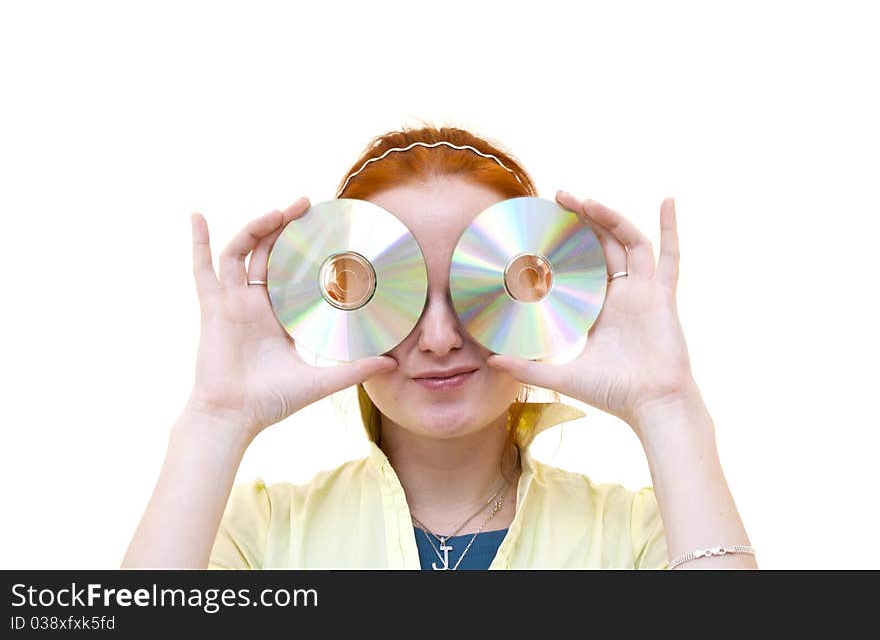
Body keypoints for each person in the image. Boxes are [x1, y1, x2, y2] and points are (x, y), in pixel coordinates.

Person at [121, 124, 757, 570]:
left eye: (477, 290)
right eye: (396, 294)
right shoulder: (257, 533)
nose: (440, 338)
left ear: (538, 290)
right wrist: (216, 416)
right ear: (334, 303)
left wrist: (669, 405)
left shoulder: (642, 533)